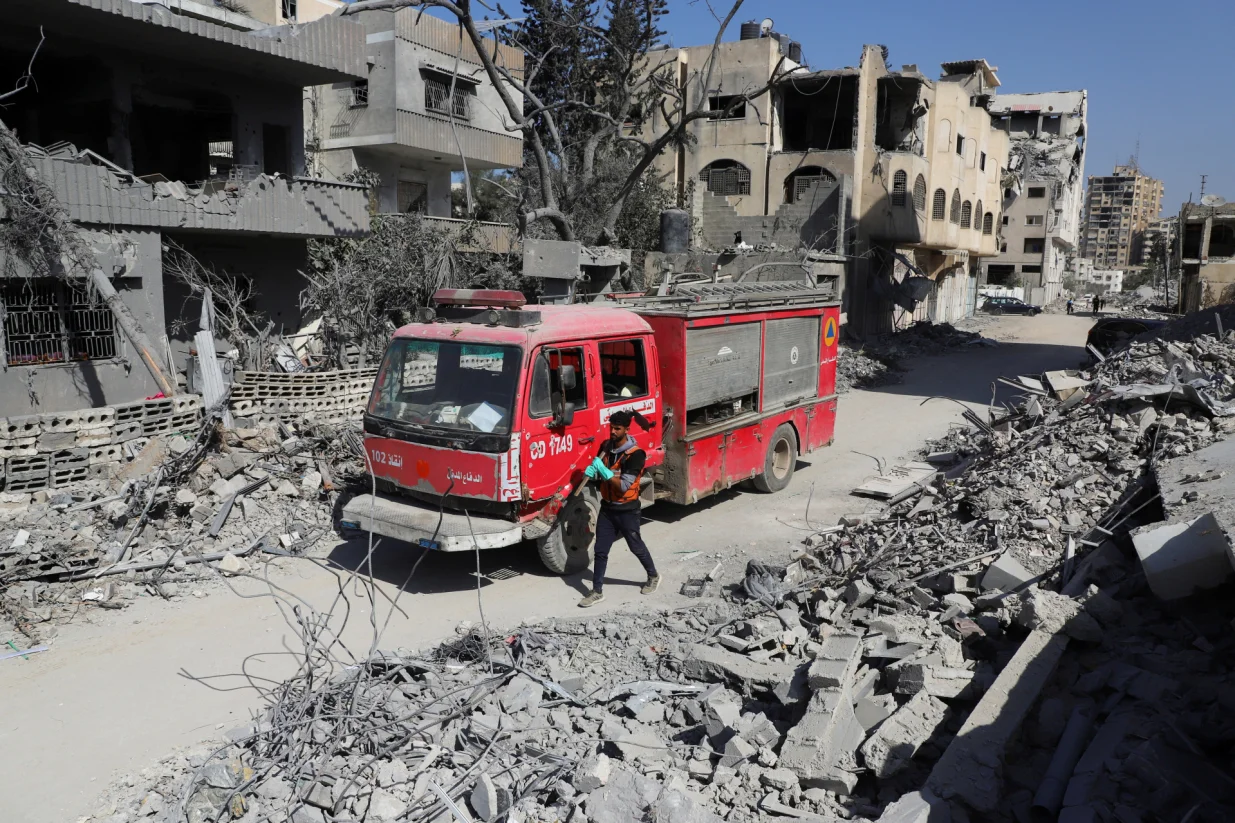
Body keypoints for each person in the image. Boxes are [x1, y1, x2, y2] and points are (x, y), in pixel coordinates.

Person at [577, 409, 660, 607]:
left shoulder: (636, 455)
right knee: (600, 550)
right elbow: (600, 478)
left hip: (627, 510)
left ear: (626, 429)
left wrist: (604, 472)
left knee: (635, 546)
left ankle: (653, 575)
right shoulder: (606, 447)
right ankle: (597, 591)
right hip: (607, 508)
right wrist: (594, 473)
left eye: (617, 428)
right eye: (611, 427)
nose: (613, 432)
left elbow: (623, 486)